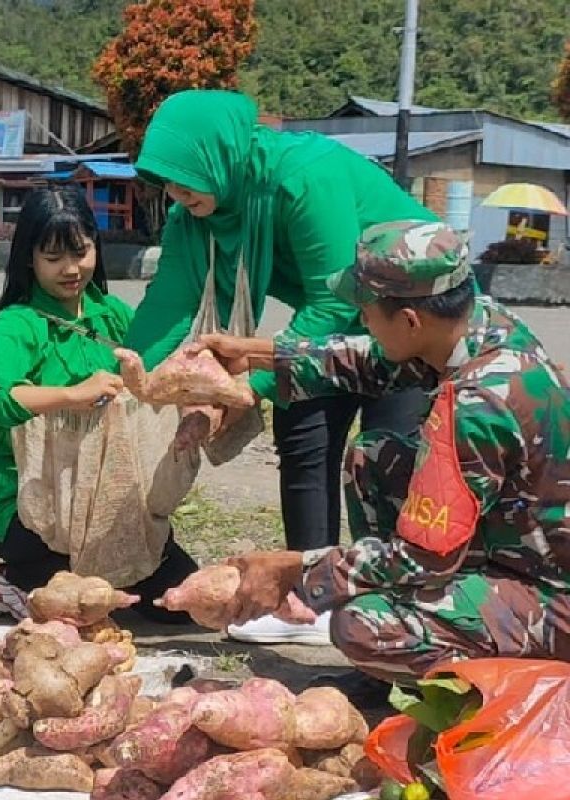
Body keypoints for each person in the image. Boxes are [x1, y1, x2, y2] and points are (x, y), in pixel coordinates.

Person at [192, 220, 570, 698]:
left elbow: (423, 558)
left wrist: (296, 570)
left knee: (362, 627)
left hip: (551, 598)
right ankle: (412, 648)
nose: (364, 322)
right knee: (375, 459)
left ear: (411, 320)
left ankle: (488, 694)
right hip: (515, 541)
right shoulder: (479, 322)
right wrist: (256, 353)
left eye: (366, 312)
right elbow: (372, 358)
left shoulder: (474, 404)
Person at [125, 89, 439, 645]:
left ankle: (399, 610)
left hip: (405, 320)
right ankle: (310, 603)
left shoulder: (303, 177)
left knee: (389, 455)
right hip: (336, 320)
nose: (174, 192)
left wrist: (250, 383)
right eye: (166, 181)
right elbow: (170, 304)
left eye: (184, 177)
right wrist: (130, 379)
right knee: (303, 436)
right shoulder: (197, 214)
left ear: (218, 155)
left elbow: (336, 297)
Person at [0, 187, 198, 622]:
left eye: (81, 252)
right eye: (53, 258)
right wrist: (69, 396)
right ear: (29, 258)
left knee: (178, 605)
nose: (71, 269)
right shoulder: (19, 324)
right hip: (30, 504)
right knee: (81, 601)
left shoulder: (112, 315)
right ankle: (15, 578)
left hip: (106, 496)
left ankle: (64, 571)